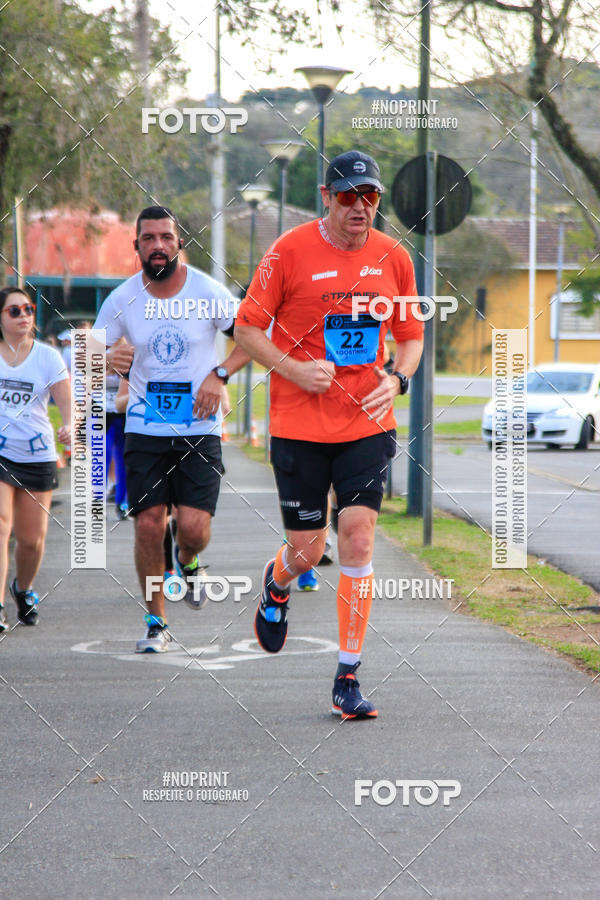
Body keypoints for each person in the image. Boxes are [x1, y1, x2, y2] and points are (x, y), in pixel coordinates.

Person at [235, 150, 424, 719]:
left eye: (369, 196)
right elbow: (246, 329)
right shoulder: (288, 251)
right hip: (299, 424)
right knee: (307, 549)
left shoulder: (394, 257)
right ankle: (277, 583)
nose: (359, 206)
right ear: (326, 196)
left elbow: (410, 336)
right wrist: (293, 370)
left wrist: (397, 378)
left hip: (367, 420)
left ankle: (348, 674)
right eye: (348, 196)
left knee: (358, 538)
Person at [94, 205, 249, 653]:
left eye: (165, 237)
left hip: (199, 427)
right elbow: (87, 356)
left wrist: (218, 376)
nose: (158, 245)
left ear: (179, 242)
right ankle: (155, 621)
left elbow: (253, 338)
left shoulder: (208, 291)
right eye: (149, 238)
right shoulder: (122, 299)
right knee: (147, 525)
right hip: (144, 427)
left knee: (194, 528)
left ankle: (189, 560)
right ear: (137, 246)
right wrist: (105, 360)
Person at [0, 286, 70, 631]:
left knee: (31, 540)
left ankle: (23, 588)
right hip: (1, 451)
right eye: (14, 311)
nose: (24, 316)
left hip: (37, 453)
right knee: (1, 525)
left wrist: (70, 426)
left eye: (28, 309)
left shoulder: (48, 357)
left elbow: (66, 402)